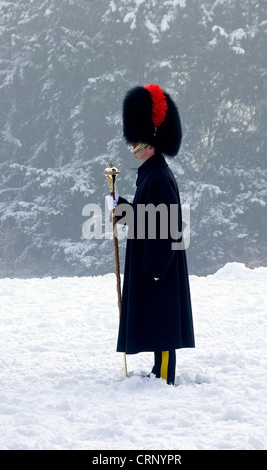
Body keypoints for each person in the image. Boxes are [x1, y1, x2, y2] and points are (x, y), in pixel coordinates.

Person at [106, 84, 195, 385]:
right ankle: (159, 371)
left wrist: (156, 267)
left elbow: (166, 226)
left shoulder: (157, 176)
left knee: (164, 324)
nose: (134, 148)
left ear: (151, 144)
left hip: (159, 266)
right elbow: (146, 219)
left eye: (138, 142)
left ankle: (165, 374)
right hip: (153, 264)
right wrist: (121, 207)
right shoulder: (151, 174)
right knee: (159, 321)